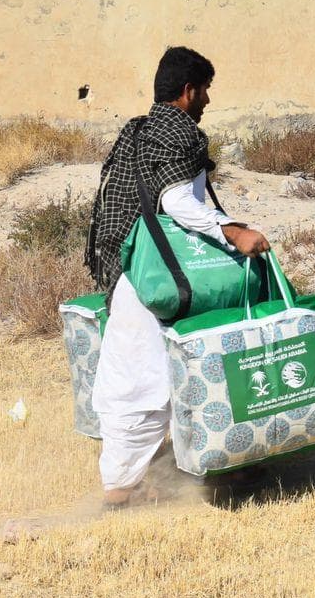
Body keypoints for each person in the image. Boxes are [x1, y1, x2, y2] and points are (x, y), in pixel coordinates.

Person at [86, 46, 271, 508]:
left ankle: (126, 485)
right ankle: (201, 474)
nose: (208, 100)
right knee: (183, 372)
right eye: (205, 90)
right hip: (168, 279)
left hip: (136, 274)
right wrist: (233, 231)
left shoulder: (139, 130)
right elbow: (176, 203)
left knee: (133, 380)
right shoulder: (178, 131)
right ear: (188, 92)